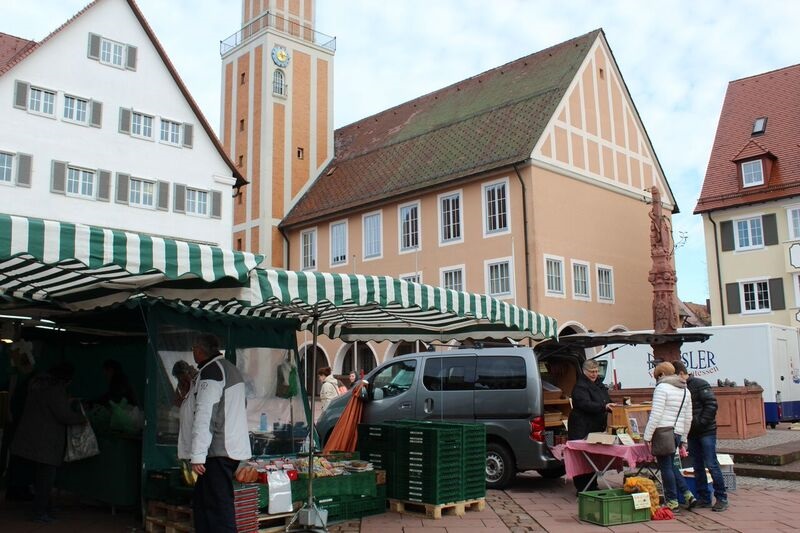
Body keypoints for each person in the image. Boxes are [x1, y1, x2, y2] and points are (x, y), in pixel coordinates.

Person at [178, 334, 251, 533]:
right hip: (225, 447)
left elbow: (205, 414)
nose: (193, 351)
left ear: (200, 350)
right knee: (204, 504)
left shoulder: (212, 371)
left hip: (218, 450)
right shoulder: (226, 368)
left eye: (193, 347)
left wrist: (198, 455)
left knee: (218, 507)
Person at [10, 362, 86, 523]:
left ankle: (45, 508)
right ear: (66, 379)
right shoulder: (55, 389)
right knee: (46, 478)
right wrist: (82, 418)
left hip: (31, 438)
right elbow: (63, 415)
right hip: (46, 441)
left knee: (40, 478)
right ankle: (40, 512)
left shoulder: (37, 385)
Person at [672, 360, 728, 512]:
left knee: (711, 463)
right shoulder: (678, 388)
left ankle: (721, 497)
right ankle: (704, 497)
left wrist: (700, 422)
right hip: (691, 431)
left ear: (682, 373)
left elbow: (711, 405)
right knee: (697, 465)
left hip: (705, 430)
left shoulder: (700, 384)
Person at [643, 362, 693, 513]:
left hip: (663, 431)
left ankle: (672, 501)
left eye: (658, 376)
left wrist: (647, 435)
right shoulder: (685, 390)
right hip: (677, 432)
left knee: (666, 468)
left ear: (662, 375)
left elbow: (656, 414)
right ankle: (687, 494)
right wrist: (684, 438)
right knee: (672, 466)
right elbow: (688, 417)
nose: (657, 379)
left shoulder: (662, 388)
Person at [568, 360, 615, 493]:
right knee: (582, 457)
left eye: (596, 371)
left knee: (593, 456)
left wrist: (612, 405)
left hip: (595, 425)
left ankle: (592, 484)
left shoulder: (599, 384)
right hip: (581, 426)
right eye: (592, 372)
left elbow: (606, 399)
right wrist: (603, 407)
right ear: (585, 371)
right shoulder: (580, 386)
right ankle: (583, 488)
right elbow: (585, 404)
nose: (595, 374)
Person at [2, 340, 36, 501]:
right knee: (16, 456)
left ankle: (18, 486)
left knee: (20, 457)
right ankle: (15, 487)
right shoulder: (16, 377)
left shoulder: (27, 378)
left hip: (22, 423)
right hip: (16, 422)